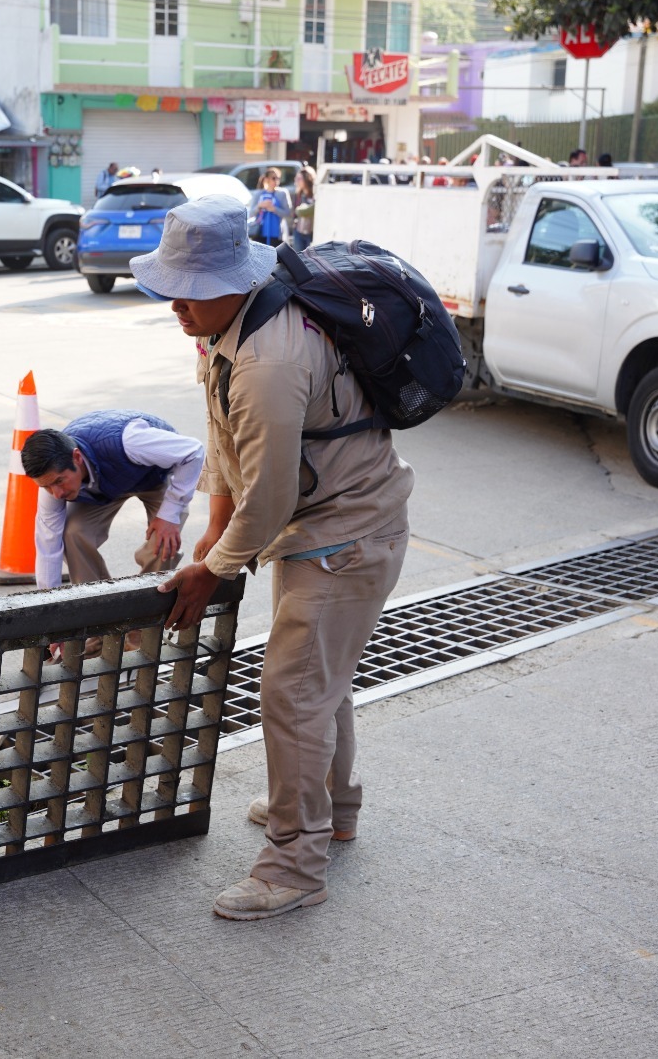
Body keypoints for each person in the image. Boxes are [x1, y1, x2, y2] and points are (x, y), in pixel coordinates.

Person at [133, 194, 413, 922]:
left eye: (190, 291)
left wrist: (214, 567)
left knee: (292, 694)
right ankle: (333, 809)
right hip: (320, 528)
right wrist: (215, 519)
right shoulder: (227, 326)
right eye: (171, 288)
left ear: (236, 279)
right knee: (320, 683)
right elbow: (222, 430)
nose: (175, 305)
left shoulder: (270, 360)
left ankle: (294, 863)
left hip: (346, 535)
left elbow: (272, 495)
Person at [21, 412, 204, 594]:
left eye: (60, 481)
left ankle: (148, 601)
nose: (57, 494)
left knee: (163, 541)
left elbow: (193, 451)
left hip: (154, 476)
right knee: (73, 533)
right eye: (46, 487)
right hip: (103, 486)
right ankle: (96, 599)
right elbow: (48, 543)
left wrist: (170, 513)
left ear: (77, 457)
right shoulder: (52, 480)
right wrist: (47, 598)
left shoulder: (132, 441)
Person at [250, 167, 291, 247]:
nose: (276, 181)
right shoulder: (259, 194)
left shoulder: (282, 194)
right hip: (260, 233)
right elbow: (251, 213)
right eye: (273, 178)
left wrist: (274, 209)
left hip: (276, 234)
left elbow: (288, 213)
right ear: (266, 179)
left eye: (278, 178)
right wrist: (260, 206)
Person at [289, 167, 316, 251]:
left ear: (307, 179)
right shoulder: (298, 195)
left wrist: (300, 210)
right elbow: (294, 212)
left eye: (299, 178)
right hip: (299, 230)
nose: (296, 181)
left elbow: (306, 211)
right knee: (298, 255)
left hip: (311, 232)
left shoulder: (315, 194)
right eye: (296, 178)